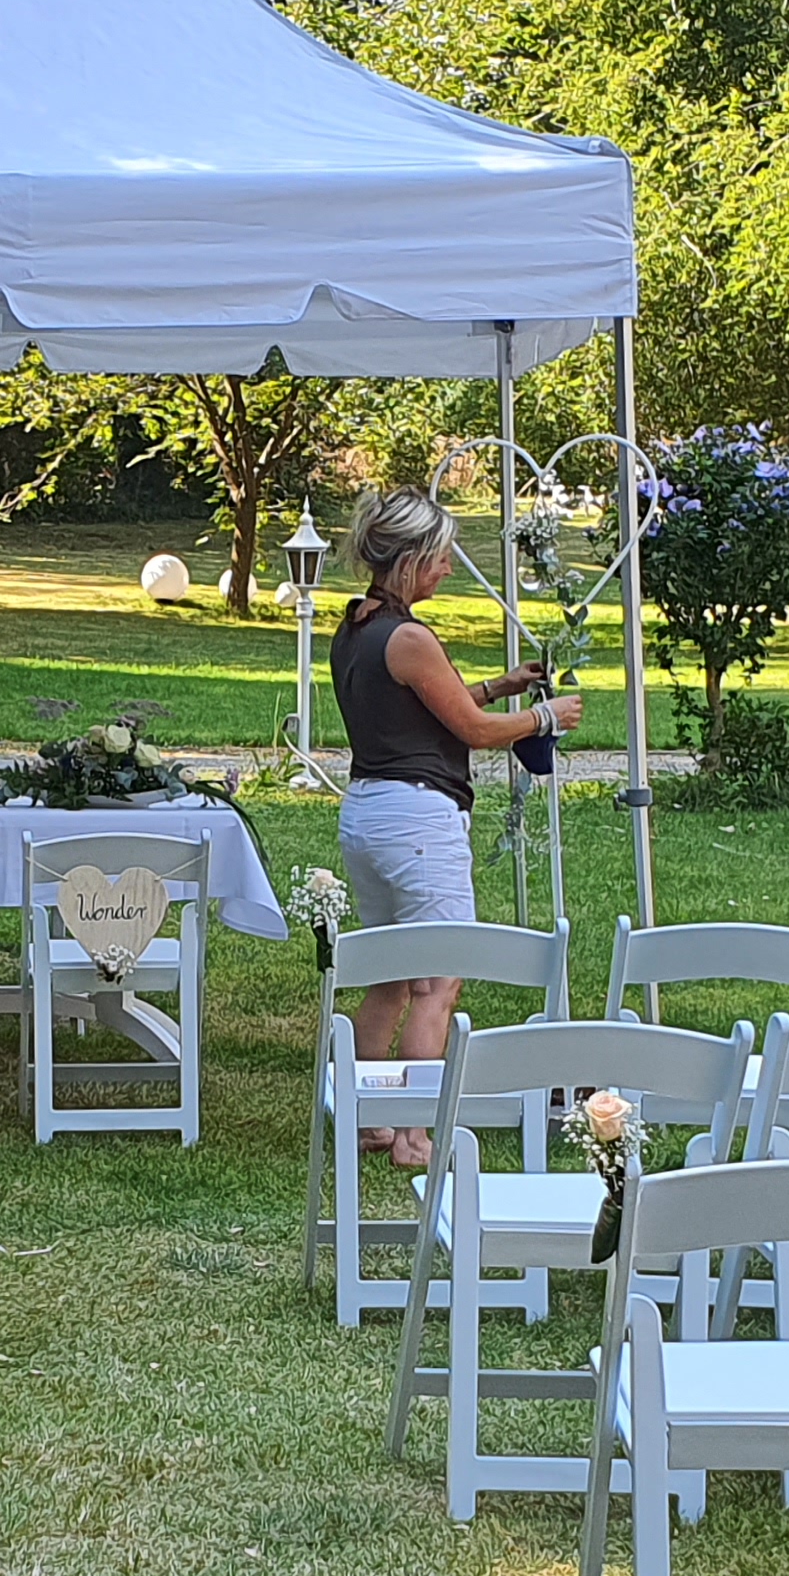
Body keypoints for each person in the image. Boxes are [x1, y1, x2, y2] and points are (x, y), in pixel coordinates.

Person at [331, 487, 583, 1170]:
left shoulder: (357, 627)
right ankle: (414, 1135)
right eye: (440, 558)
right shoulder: (410, 637)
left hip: (368, 815)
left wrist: (500, 687)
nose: (446, 569)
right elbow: (469, 732)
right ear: (409, 560)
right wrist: (545, 717)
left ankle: (367, 1120)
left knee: (387, 980)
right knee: (438, 984)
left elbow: (424, 710)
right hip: (419, 821)